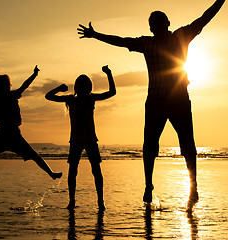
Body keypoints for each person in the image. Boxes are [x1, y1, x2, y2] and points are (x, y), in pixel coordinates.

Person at [77, 0, 225, 205]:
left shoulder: (170, 38)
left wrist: (221, 1)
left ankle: (187, 187)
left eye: (157, 22)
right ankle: (159, 186)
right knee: (161, 146)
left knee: (178, 145)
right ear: (154, 27)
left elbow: (204, 18)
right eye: (154, 23)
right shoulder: (167, 39)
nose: (156, 26)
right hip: (165, 100)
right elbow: (121, 41)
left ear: (164, 24)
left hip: (170, 100)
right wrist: (96, 35)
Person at [0, 66, 62, 191]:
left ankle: (51, 173)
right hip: (5, 135)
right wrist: (34, 75)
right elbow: (24, 85)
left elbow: (23, 85)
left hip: (10, 135)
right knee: (33, 155)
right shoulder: (5, 95)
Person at [45, 65, 116, 210]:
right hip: (76, 141)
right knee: (73, 171)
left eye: (86, 86)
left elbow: (112, 92)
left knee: (96, 171)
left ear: (89, 87)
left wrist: (109, 74)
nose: (84, 88)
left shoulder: (91, 98)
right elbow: (48, 96)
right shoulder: (71, 100)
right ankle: (72, 201)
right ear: (76, 87)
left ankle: (101, 202)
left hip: (90, 140)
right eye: (81, 86)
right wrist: (59, 87)